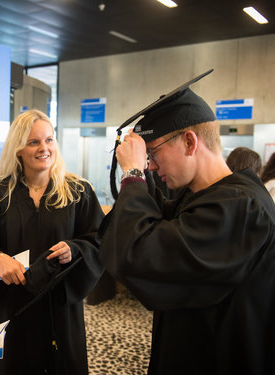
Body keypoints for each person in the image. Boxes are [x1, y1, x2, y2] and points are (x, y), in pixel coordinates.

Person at [99, 85, 275, 374]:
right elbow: (143, 224)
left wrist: (132, 174)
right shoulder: (201, 196)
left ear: (190, 142)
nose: (150, 166)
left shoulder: (240, 206)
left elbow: (141, 255)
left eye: (153, 154)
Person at [0, 109, 104, 375]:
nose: (44, 148)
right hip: (14, 304)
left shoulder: (78, 192)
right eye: (34, 142)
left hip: (60, 305)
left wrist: (75, 249)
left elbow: (97, 238)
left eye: (49, 140)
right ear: (19, 149)